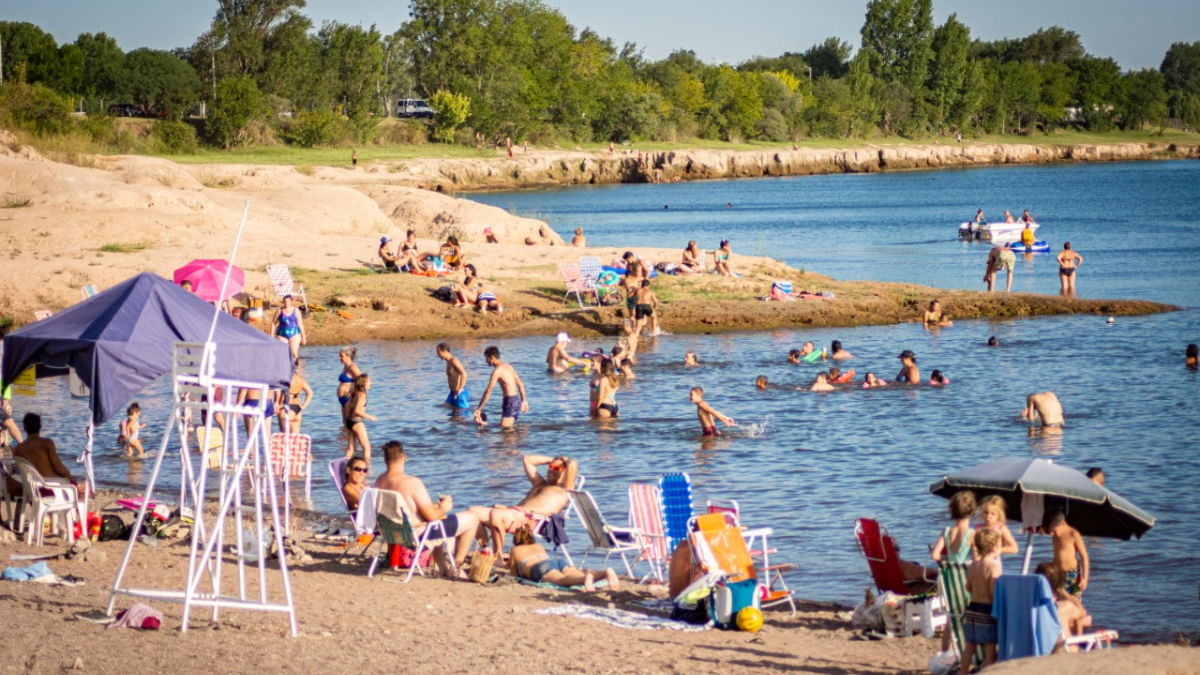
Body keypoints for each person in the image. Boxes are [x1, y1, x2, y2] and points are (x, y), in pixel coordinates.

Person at [374, 441, 480, 578]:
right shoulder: (412, 482)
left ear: (385, 460)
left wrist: (436, 508)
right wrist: (444, 507)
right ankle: (456, 567)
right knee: (472, 518)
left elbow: (412, 511)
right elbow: (431, 516)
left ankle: (441, 567)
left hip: (393, 534)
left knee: (437, 520)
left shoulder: (379, 481)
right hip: (417, 535)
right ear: (404, 456)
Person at [468, 454, 578, 556]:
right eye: (551, 466)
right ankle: (486, 549)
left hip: (532, 519)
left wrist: (563, 459)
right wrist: (553, 460)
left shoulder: (564, 489)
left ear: (566, 473)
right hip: (514, 513)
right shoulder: (539, 483)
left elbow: (572, 464)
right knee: (472, 511)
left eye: (558, 469)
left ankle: (499, 556)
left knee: (496, 514)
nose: (551, 470)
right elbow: (527, 459)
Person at [509, 524, 620, 591]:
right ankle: (605, 573)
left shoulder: (514, 550)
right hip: (554, 561)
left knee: (562, 580)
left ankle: (586, 579)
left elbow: (514, 574)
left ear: (516, 539)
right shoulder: (538, 546)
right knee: (579, 575)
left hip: (540, 568)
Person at [961, 528, 1003, 674]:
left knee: (970, 645)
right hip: (986, 611)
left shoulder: (973, 565)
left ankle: (963, 672)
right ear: (994, 547)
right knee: (990, 646)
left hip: (972, 609)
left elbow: (968, 587)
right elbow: (993, 592)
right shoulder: (993, 567)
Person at [1036, 563, 1092, 640]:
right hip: (1061, 649)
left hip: (1036, 650)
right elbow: (1082, 612)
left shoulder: (1031, 607)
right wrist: (1064, 594)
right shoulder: (1064, 607)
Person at [13, 413, 74, 484]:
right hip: (51, 486)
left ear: (24, 428)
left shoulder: (18, 449)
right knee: (85, 486)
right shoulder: (47, 443)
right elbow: (60, 469)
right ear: (40, 426)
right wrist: (70, 478)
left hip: (32, 487)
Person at [475, 346, 528, 428]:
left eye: (487, 358)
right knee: (508, 431)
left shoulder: (497, 371)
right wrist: (523, 400)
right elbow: (520, 383)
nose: (486, 361)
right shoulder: (508, 366)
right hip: (516, 400)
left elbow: (488, 391)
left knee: (504, 429)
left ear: (492, 357)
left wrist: (479, 408)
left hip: (510, 401)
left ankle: (482, 425)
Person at [1044, 508, 1089, 596]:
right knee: (1056, 601)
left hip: (1073, 576)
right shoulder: (1055, 536)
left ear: (1063, 524)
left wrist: (1085, 578)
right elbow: (1057, 555)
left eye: (1053, 531)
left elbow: (1084, 557)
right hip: (1057, 574)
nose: (1051, 534)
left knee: (1074, 601)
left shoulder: (1073, 534)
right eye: (1050, 532)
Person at [932, 491, 976, 565]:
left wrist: (948, 558)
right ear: (971, 511)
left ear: (952, 511)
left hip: (951, 575)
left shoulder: (946, 531)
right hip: (968, 575)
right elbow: (976, 558)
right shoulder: (972, 534)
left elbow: (934, 555)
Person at [343, 374, 376, 464]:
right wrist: (370, 417)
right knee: (366, 447)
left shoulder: (355, 393)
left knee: (351, 448)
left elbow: (347, 406)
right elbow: (357, 410)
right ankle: (367, 468)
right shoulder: (362, 395)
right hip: (357, 422)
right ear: (364, 383)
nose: (370, 383)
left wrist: (347, 420)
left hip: (349, 421)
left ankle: (345, 466)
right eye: (369, 381)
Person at [271, 295, 305, 363]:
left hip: (294, 333)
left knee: (294, 354)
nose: (286, 303)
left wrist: (303, 336)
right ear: (283, 302)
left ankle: (297, 370)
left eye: (288, 301)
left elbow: (300, 323)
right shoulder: (279, 311)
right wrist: (271, 336)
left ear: (291, 302)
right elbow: (273, 323)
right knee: (283, 354)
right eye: (285, 301)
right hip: (282, 334)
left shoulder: (296, 310)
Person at [279, 367, 312, 434]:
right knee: (295, 439)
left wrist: (278, 404)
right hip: (297, 409)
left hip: (286, 407)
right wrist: (303, 406)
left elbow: (280, 393)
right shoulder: (300, 378)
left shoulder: (285, 378)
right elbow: (310, 393)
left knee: (284, 437)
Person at [437, 343, 469, 410]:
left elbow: (464, 374)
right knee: (445, 409)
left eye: (439, 353)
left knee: (461, 415)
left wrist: (459, 389)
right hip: (452, 392)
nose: (438, 356)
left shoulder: (454, 361)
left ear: (445, 351)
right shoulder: (448, 362)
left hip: (460, 393)